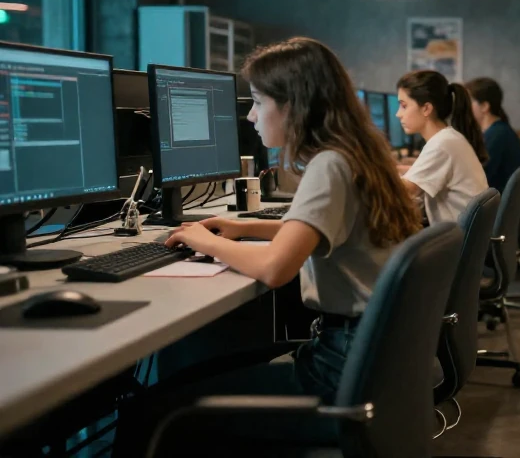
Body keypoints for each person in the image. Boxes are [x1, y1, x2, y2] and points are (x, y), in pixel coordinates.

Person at [118, 37, 424, 455]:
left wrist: (202, 238)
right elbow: (314, 229)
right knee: (194, 374)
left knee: (151, 410)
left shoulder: (329, 166)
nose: (249, 115)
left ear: (293, 105)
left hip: (339, 371)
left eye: (258, 102)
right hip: (369, 360)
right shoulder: (354, 155)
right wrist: (239, 229)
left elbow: (275, 269)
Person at [395, 70, 489, 225]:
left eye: (404, 106)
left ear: (426, 109)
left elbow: (406, 190)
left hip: (456, 241)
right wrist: (394, 169)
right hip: (467, 237)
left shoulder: (442, 145)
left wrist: (372, 172)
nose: (398, 114)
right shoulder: (448, 138)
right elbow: (419, 175)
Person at [467, 76, 520, 190]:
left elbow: (477, 179)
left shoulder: (496, 135)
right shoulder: (499, 130)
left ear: (484, 106)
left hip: (497, 202)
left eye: (468, 102)